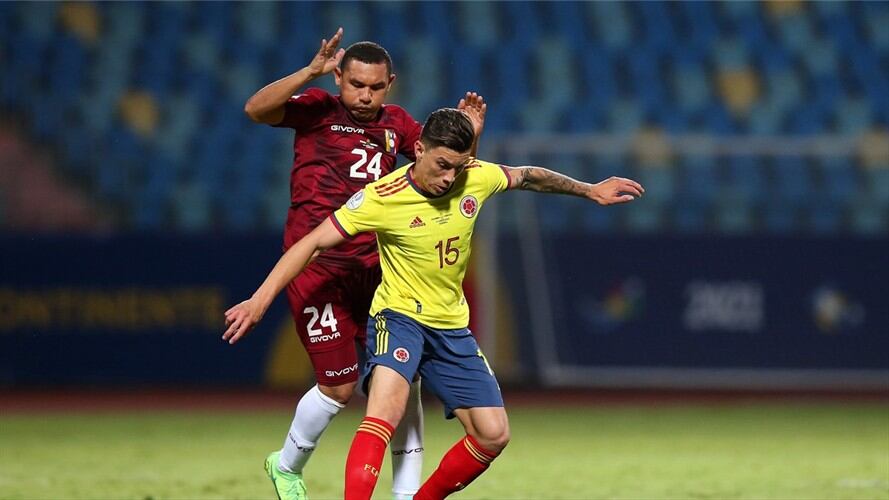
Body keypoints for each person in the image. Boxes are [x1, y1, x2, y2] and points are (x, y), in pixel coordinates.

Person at [224, 108, 644, 499]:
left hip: (451, 328)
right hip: (399, 317)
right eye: (442, 165)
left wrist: (589, 190)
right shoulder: (382, 197)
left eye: (458, 167)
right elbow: (313, 241)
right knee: (383, 413)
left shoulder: (474, 176)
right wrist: (260, 300)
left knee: (493, 434)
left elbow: (527, 175)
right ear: (419, 150)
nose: (449, 178)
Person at [240, 28, 486, 500]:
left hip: (378, 272)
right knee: (338, 387)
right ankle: (287, 465)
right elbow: (255, 110)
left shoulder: (398, 125)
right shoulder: (315, 109)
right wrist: (307, 71)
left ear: (390, 83)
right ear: (338, 77)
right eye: (356, 85)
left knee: (402, 381)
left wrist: (471, 135)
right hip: (320, 268)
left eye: (375, 87)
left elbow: (445, 168)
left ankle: (403, 494)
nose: (365, 96)